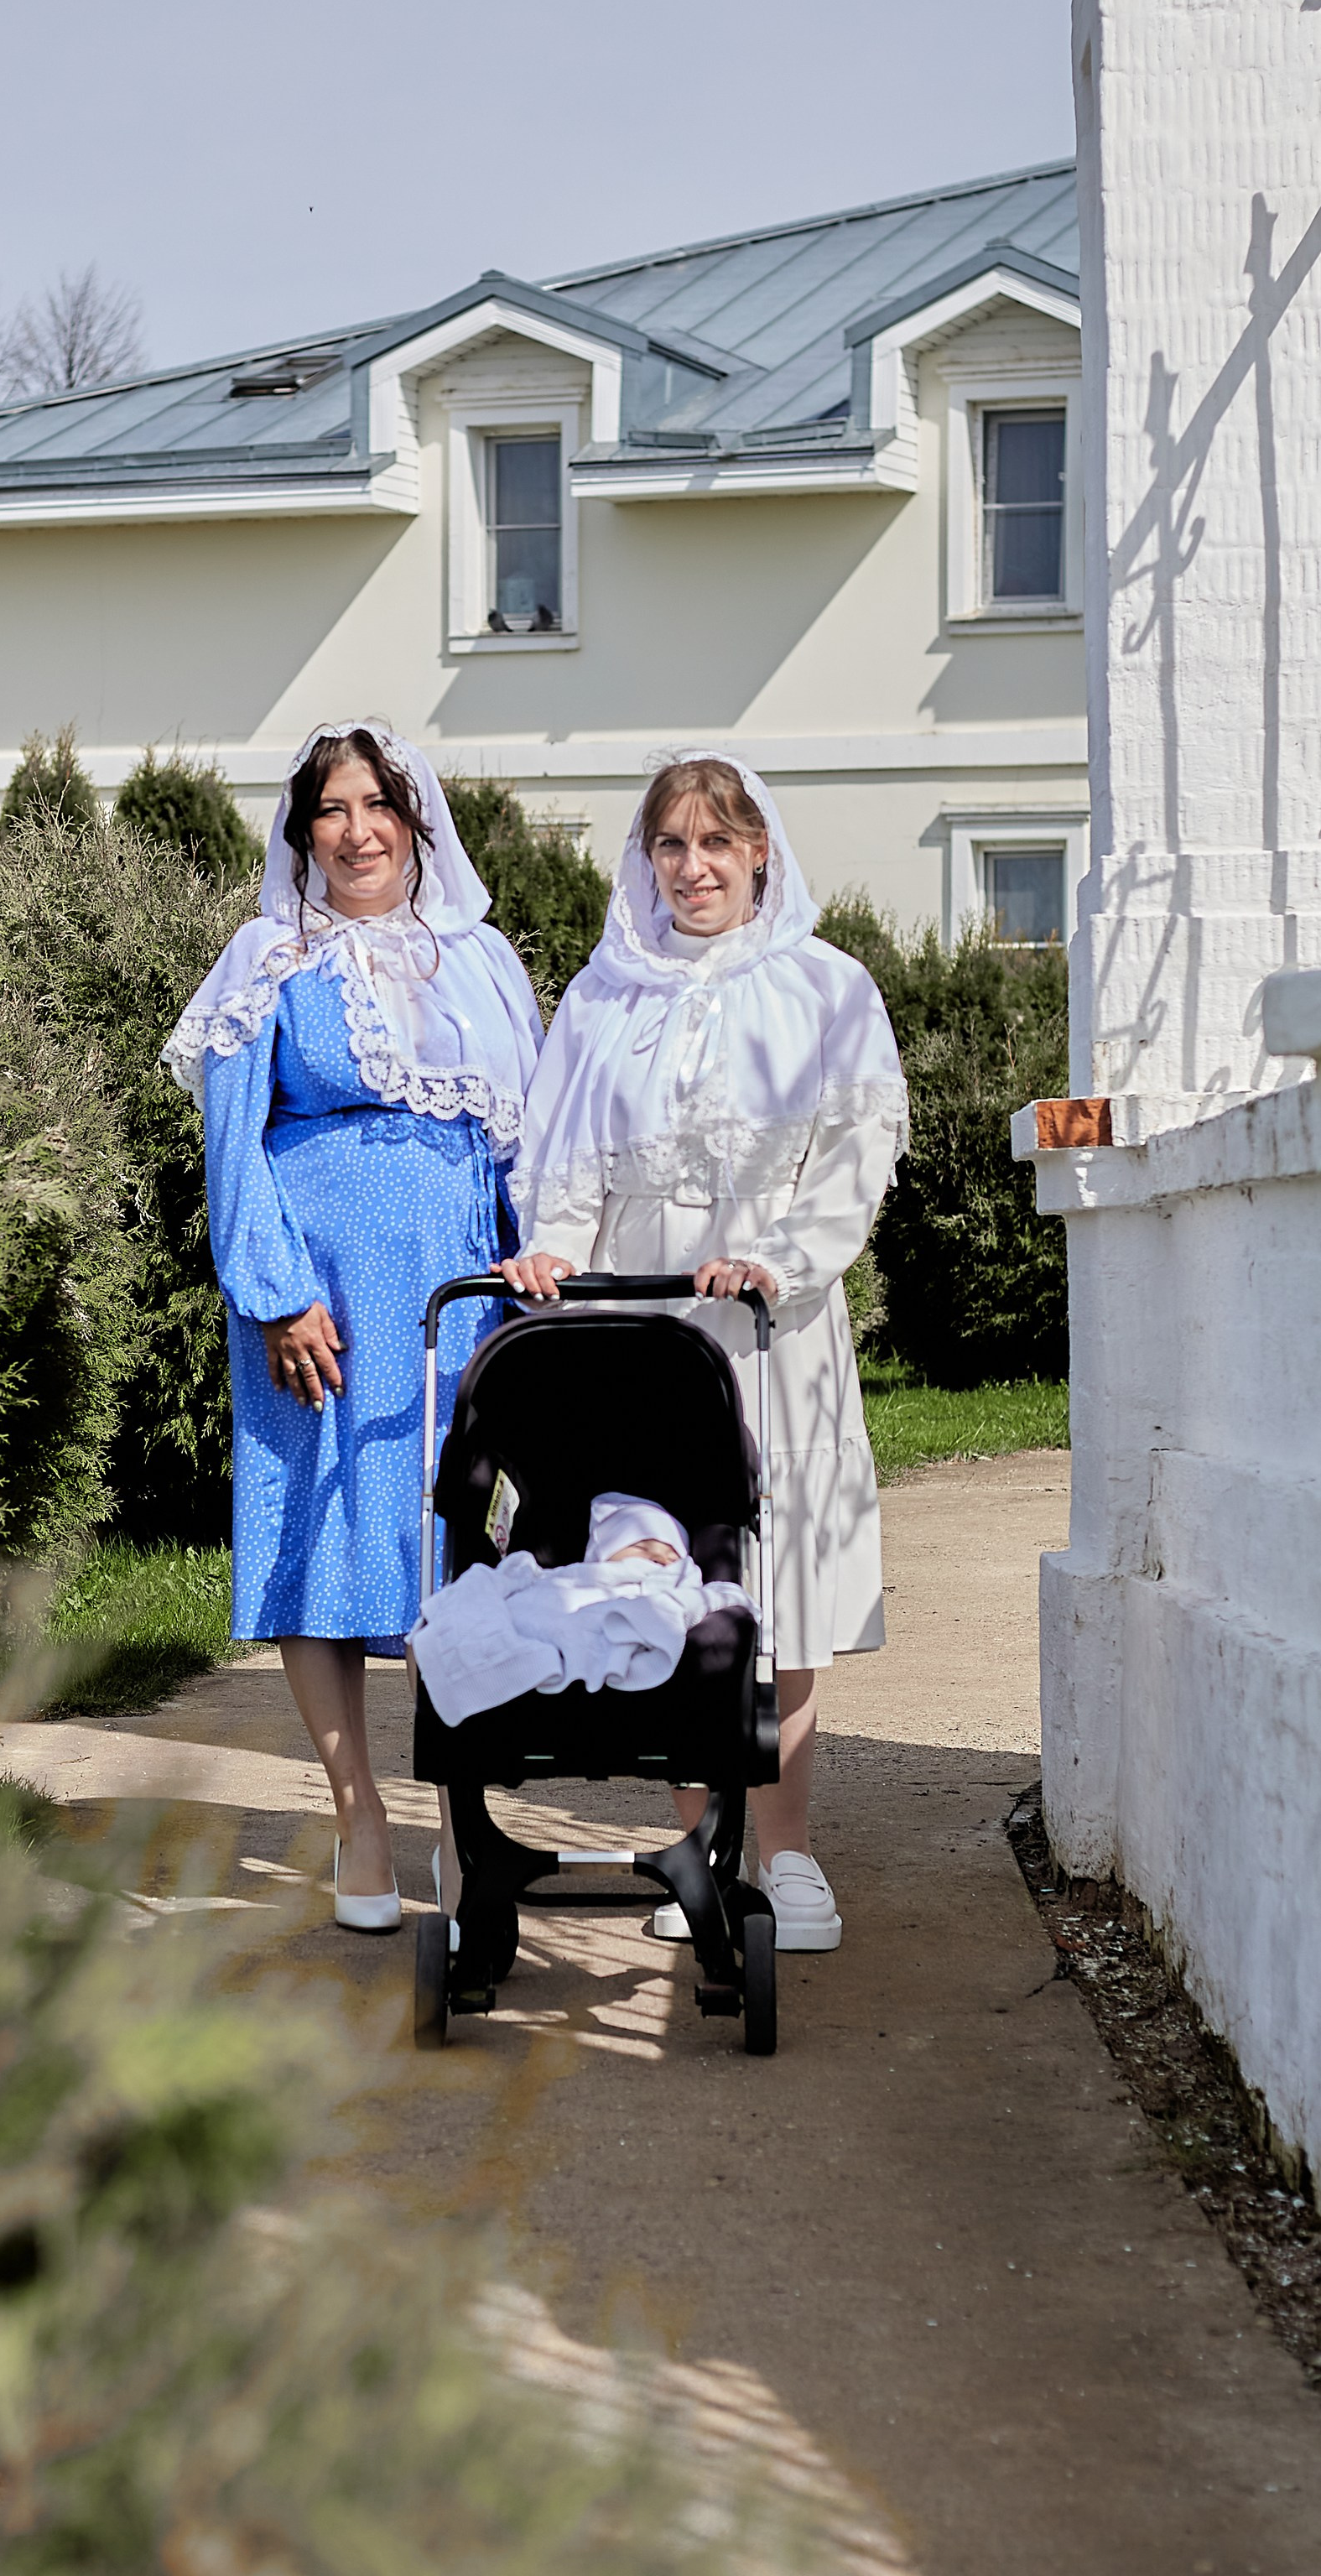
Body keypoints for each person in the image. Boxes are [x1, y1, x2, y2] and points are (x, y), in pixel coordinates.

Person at [497, 749, 904, 1953]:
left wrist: (781, 1257)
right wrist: (549, 1251)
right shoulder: (602, 995)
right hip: (644, 1333)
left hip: (767, 1325)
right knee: (673, 1581)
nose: (692, 869)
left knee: (778, 1597)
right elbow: (563, 1163)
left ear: (757, 851)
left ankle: (785, 1854)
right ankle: (694, 1849)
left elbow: (854, 1152)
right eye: (670, 845)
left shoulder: (826, 989)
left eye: (714, 844)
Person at [161, 720, 543, 1930]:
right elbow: (231, 1150)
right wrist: (274, 1296)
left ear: (415, 819)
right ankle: (357, 1817)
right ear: (301, 830)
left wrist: (537, 1270)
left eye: (377, 804)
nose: (357, 829)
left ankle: (458, 1814)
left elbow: (528, 1147)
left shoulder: (476, 963)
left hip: (458, 1294)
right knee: (322, 1548)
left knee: (459, 1548)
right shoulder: (265, 957)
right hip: (316, 1298)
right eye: (331, 808)